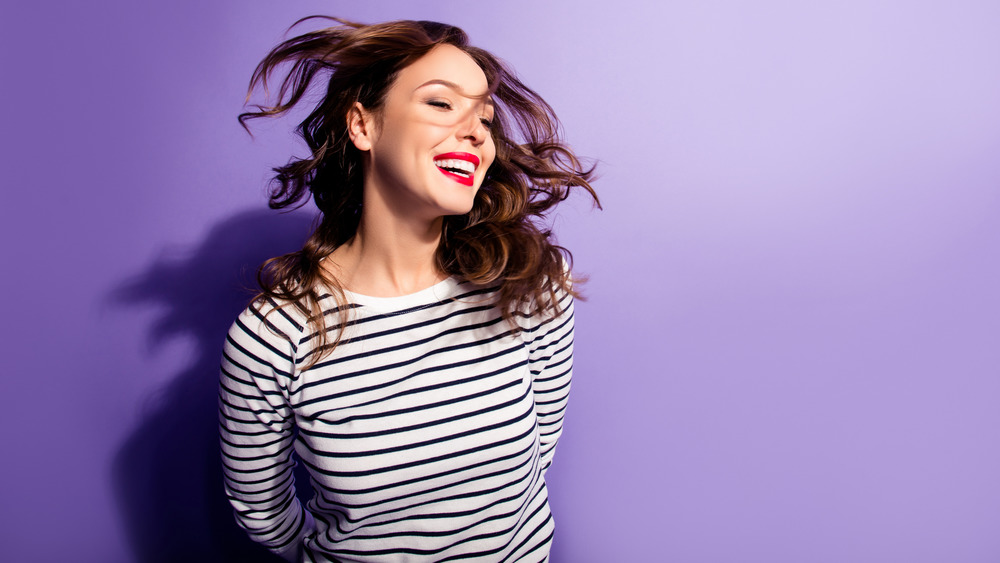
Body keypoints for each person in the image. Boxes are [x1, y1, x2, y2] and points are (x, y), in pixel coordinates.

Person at [219, 16, 598, 562]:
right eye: (441, 104)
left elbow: (533, 465)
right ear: (363, 126)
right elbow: (263, 512)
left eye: (485, 118)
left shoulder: (528, 289)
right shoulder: (274, 335)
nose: (475, 132)